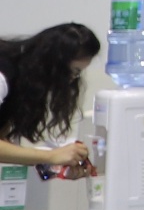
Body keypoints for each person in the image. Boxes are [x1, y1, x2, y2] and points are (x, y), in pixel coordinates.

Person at [0, 22, 100, 166]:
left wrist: (54, 164)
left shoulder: (19, 79)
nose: (71, 80)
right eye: (74, 71)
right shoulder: (3, 75)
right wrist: (50, 156)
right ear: (55, 64)